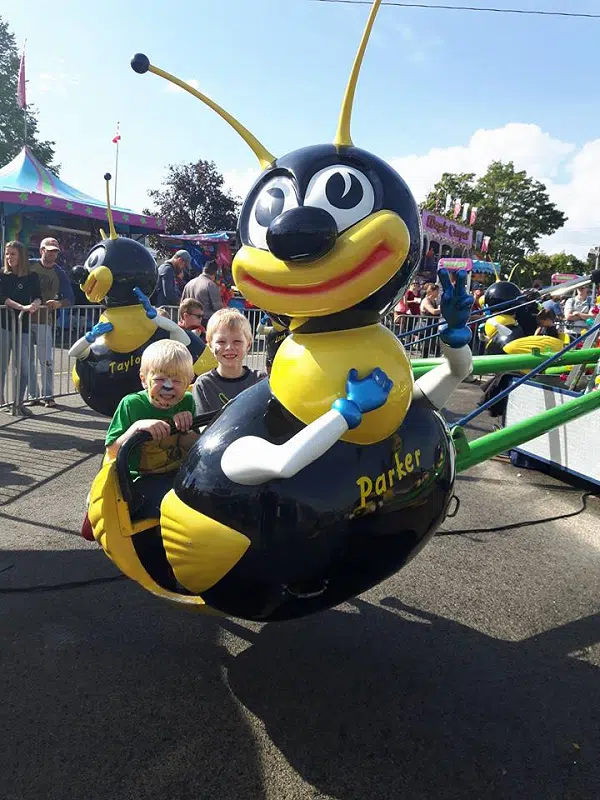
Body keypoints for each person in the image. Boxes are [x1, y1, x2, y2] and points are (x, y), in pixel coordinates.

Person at [28, 237, 74, 407]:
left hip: (44, 320)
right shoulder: (29, 265)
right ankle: (32, 396)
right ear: (42, 250)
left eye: (55, 251)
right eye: (50, 250)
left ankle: (48, 395)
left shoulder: (59, 272)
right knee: (27, 360)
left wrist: (59, 303)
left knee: (46, 359)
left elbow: (70, 298)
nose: (53, 254)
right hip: (23, 321)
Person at [193, 307, 266, 413]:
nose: (229, 347)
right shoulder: (204, 385)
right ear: (210, 346)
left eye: (237, 341)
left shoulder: (261, 380)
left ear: (248, 345)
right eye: (221, 342)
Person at [0, 241, 42, 413]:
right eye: (7, 254)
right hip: (3, 326)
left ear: (22, 256)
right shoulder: (2, 274)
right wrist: (22, 307)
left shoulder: (32, 276)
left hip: (22, 327)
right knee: (1, 365)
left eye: (13, 254)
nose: (10, 257)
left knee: (24, 366)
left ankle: (18, 402)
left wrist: (35, 304)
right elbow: (3, 298)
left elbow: (38, 297)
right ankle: (2, 400)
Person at [181, 260, 223, 328]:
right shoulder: (210, 285)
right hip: (205, 323)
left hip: (188, 321)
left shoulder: (189, 283)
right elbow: (218, 308)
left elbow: (182, 304)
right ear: (215, 273)